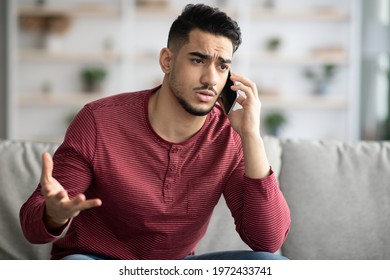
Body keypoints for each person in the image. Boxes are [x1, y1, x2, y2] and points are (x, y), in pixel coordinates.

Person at [19, 3, 290, 260]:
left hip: (176, 268)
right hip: (95, 262)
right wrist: (54, 214)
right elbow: (33, 228)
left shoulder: (230, 136)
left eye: (222, 66)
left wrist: (251, 136)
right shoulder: (98, 121)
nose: (211, 78)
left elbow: (267, 241)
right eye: (198, 60)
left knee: (274, 266)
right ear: (167, 61)